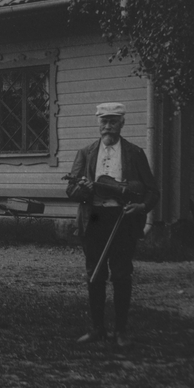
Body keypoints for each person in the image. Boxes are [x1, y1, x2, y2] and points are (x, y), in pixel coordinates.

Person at [66, 102, 159, 348]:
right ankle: (97, 329)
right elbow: (71, 191)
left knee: (121, 274)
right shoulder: (85, 153)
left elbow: (152, 191)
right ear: (98, 123)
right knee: (95, 274)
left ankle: (120, 331)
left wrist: (141, 207)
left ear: (122, 123)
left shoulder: (134, 153)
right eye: (104, 121)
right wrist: (84, 190)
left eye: (113, 121)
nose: (108, 126)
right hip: (94, 218)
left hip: (123, 219)